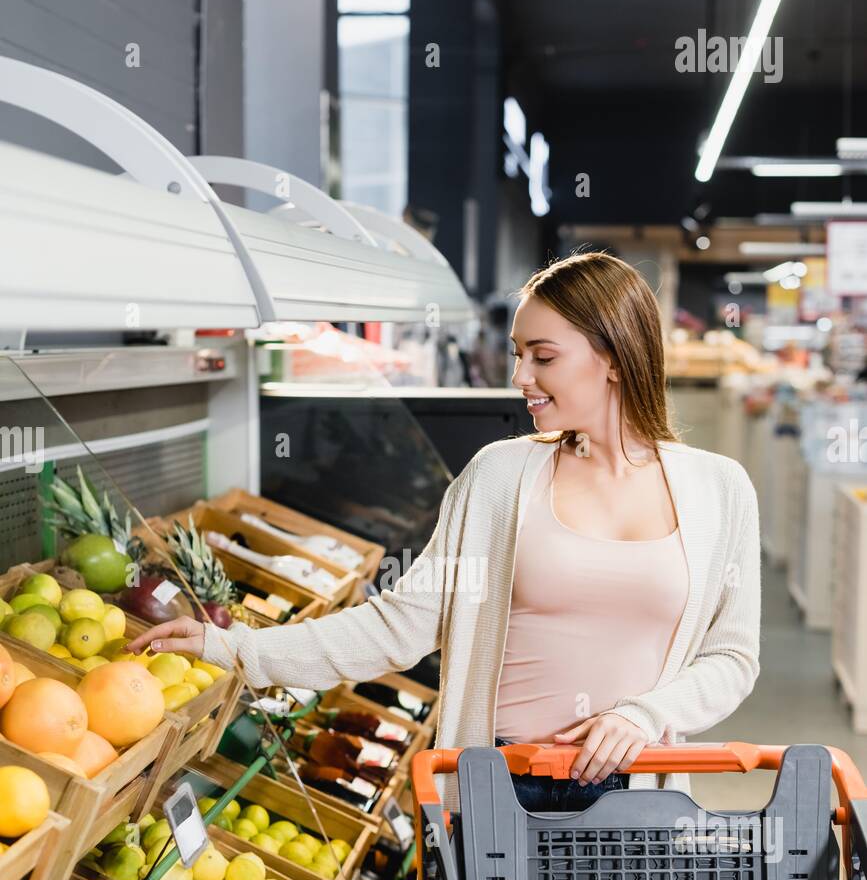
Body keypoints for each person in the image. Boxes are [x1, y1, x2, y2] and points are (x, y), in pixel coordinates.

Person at [129, 251, 761, 813]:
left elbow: (731, 658)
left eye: (543, 357)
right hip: (502, 790)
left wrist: (644, 715)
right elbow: (400, 624)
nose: (521, 378)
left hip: (640, 787)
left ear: (615, 358)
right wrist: (237, 648)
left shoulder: (719, 491)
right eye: (519, 356)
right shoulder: (498, 479)